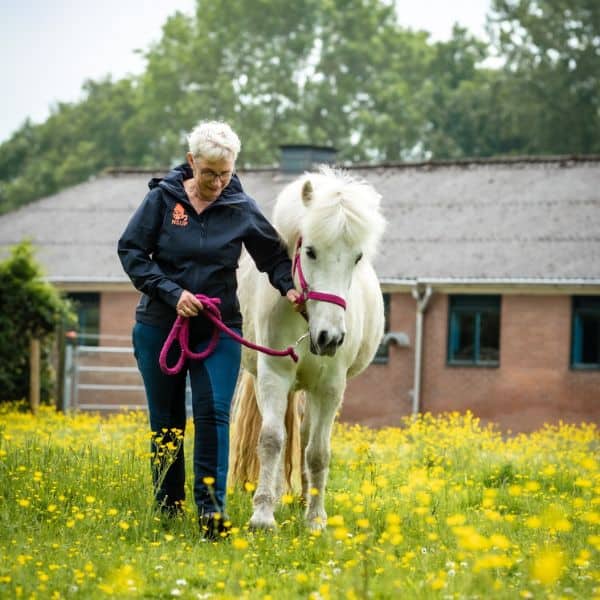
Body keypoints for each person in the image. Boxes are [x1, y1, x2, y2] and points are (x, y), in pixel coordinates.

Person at [118, 120, 301, 539]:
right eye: (208, 173)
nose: (217, 182)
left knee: (214, 415)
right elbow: (131, 251)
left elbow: (271, 256)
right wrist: (170, 291)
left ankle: (211, 515)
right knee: (166, 422)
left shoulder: (240, 205)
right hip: (160, 327)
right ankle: (168, 508)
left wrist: (289, 289)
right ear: (191, 163)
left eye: (225, 173)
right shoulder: (162, 202)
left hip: (217, 329)